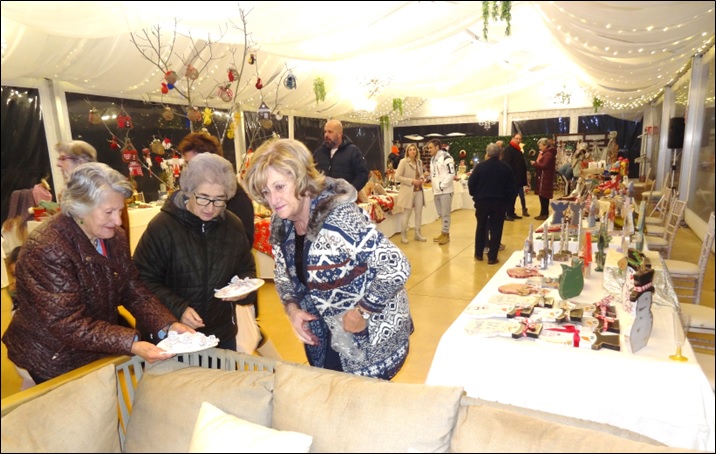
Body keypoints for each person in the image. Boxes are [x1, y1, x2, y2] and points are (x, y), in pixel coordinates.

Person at [1, 163, 193, 385]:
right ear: (80, 207)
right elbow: (67, 322)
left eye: (120, 210)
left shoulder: (114, 237)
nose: (118, 221)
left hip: (88, 347)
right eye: (109, 212)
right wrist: (131, 343)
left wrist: (167, 325)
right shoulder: (48, 248)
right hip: (49, 355)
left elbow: (133, 289)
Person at [243, 138, 412, 380]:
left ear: (301, 178)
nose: (273, 200)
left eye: (280, 187)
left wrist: (362, 312)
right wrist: (292, 310)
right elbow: (282, 273)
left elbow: (396, 266)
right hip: (324, 336)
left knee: (361, 407)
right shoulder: (282, 222)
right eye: (266, 192)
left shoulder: (340, 217)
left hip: (370, 337)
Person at [133, 153, 257, 352]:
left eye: (219, 200)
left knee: (221, 382)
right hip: (173, 335)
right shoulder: (163, 226)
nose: (210, 208)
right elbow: (141, 279)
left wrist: (243, 289)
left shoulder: (233, 226)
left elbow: (246, 269)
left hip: (220, 334)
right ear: (188, 191)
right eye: (203, 198)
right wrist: (178, 308)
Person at [177, 131, 255, 244]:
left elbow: (244, 244)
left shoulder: (236, 197)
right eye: (186, 164)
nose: (189, 170)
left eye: (194, 164)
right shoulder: (184, 197)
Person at [468, 143, 516, 265]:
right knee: (496, 229)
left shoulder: (480, 167)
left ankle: (478, 254)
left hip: (482, 201)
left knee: (481, 227)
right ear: (500, 154)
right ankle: (492, 257)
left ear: (487, 153)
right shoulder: (506, 167)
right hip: (499, 202)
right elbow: (512, 188)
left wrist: (475, 196)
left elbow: (471, 183)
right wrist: (507, 202)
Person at [313, 119, 370, 192]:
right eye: (325, 132)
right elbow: (311, 172)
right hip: (322, 200)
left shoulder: (353, 152)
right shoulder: (319, 153)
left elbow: (363, 173)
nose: (326, 135)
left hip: (344, 200)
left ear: (339, 134)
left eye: (330, 132)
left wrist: (351, 190)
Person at [425, 138, 455, 245]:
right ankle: (443, 232)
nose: (429, 150)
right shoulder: (433, 159)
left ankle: (446, 234)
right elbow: (434, 174)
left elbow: (451, 173)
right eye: (428, 148)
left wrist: (442, 186)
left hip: (445, 191)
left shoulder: (446, 158)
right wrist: (426, 178)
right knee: (441, 213)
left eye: (431, 147)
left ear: (437, 147)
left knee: (445, 213)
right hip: (436, 191)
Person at [394, 143, 426, 243]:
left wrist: (421, 178)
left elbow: (420, 174)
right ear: (407, 151)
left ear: (416, 151)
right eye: (410, 150)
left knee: (419, 213)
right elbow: (397, 176)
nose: (412, 151)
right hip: (408, 191)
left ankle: (417, 233)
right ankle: (403, 235)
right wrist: (411, 181)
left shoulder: (419, 162)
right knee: (406, 213)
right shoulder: (403, 162)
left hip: (419, 190)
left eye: (414, 149)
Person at [501, 133, 529, 220]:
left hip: (518, 178)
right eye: (517, 138)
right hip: (512, 178)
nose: (518, 140)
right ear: (512, 138)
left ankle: (511, 212)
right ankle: (507, 214)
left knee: (514, 196)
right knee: (510, 196)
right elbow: (508, 164)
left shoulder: (518, 150)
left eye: (520, 139)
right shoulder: (509, 150)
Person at [530, 137, 557, 221]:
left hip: (545, 178)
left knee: (544, 197)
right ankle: (543, 213)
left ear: (545, 145)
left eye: (540, 146)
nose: (539, 147)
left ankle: (544, 214)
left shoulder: (548, 154)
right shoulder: (547, 153)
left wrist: (534, 164)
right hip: (544, 177)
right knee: (543, 197)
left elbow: (544, 165)